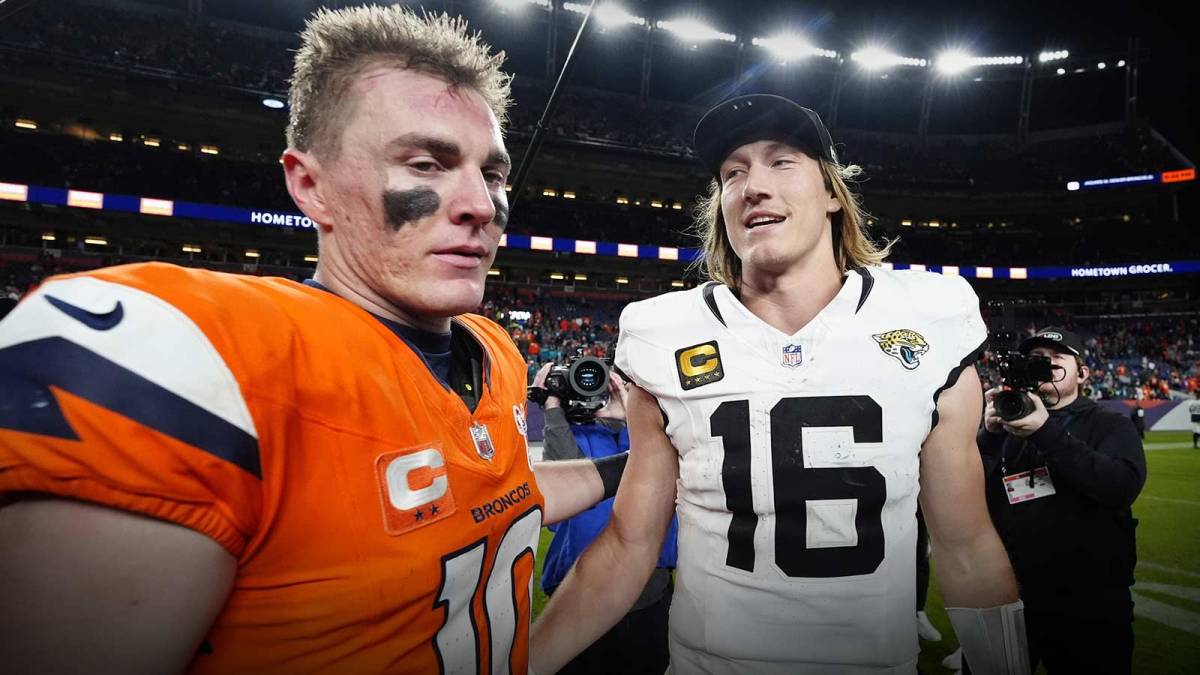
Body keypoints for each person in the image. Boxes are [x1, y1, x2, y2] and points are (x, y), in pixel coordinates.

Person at [0, 7, 614, 673]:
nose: (481, 204)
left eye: (492, 174)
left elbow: (501, 494)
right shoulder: (202, 356)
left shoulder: (492, 349)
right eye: (425, 163)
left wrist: (642, 465)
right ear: (310, 185)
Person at [533, 94, 1028, 675]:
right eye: (732, 173)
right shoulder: (661, 333)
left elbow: (965, 543)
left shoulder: (926, 318)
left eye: (781, 161)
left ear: (832, 196)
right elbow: (630, 545)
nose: (753, 185)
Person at [978, 327, 1146, 674]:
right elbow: (972, 498)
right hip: (1010, 594)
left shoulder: (1109, 424)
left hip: (1089, 602)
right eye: (1035, 361)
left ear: (1083, 373)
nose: (1043, 367)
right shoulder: (1009, 420)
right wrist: (989, 438)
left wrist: (1045, 431)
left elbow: (1120, 487)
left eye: (1055, 361)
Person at [533, 363, 679, 674]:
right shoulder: (570, 432)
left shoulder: (651, 432)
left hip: (648, 589)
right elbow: (570, 496)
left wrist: (634, 417)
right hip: (580, 585)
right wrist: (553, 408)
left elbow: (667, 478)